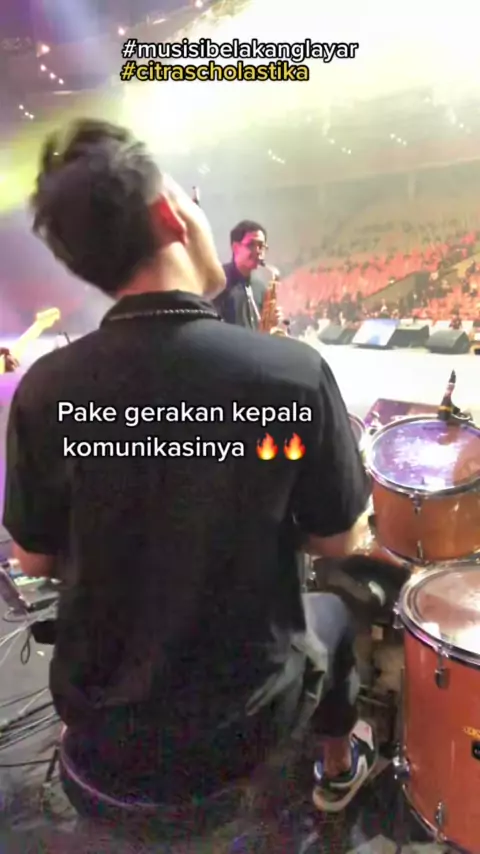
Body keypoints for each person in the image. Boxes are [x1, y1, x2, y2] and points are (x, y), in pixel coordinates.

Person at [3, 119, 375, 820]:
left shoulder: (44, 390)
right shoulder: (291, 374)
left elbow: (32, 557)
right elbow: (339, 541)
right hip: (240, 728)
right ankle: (337, 765)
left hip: (100, 729)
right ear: (171, 213)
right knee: (332, 613)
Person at [213, 220, 283, 330]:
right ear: (235, 247)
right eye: (251, 245)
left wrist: (271, 322)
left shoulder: (260, 288)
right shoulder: (217, 282)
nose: (258, 251)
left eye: (261, 246)